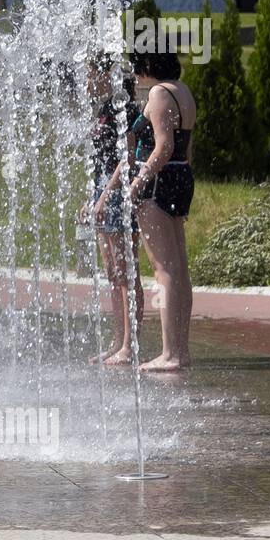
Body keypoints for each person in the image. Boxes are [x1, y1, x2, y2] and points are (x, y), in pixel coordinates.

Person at [102, 49, 196, 372]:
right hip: (181, 176)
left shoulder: (158, 93)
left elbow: (163, 145)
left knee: (164, 271)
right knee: (180, 270)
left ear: (149, 65)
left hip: (157, 181)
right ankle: (181, 350)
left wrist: (138, 181)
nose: (136, 74)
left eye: (138, 66)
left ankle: (169, 353)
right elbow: (186, 146)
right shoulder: (183, 92)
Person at [83, 58, 146, 366]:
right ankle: (117, 340)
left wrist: (105, 196)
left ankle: (130, 344)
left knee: (126, 273)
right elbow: (99, 159)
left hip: (118, 191)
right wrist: (91, 197)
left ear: (108, 76)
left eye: (91, 74)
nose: (86, 80)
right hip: (103, 189)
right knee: (112, 272)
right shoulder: (104, 111)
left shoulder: (126, 111)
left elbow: (128, 158)